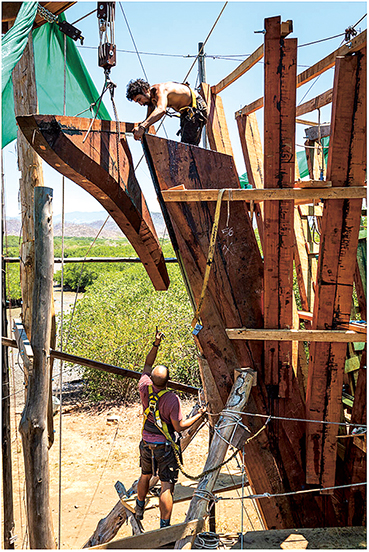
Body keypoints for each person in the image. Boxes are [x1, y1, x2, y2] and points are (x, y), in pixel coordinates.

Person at [135, 328, 206, 528]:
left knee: (145, 475)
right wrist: (200, 415)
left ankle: (139, 506)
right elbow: (180, 427)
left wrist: (156, 344)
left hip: (146, 441)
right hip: (164, 447)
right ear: (168, 382)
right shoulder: (171, 399)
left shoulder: (144, 386)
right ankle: (164, 526)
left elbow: (147, 364)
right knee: (167, 485)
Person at [126, 79, 208, 146]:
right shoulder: (151, 99)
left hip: (196, 107)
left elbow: (161, 110)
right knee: (185, 145)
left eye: (139, 99)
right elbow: (148, 119)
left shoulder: (160, 90)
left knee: (187, 146)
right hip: (187, 113)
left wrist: (142, 127)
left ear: (144, 90)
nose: (141, 104)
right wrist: (141, 127)